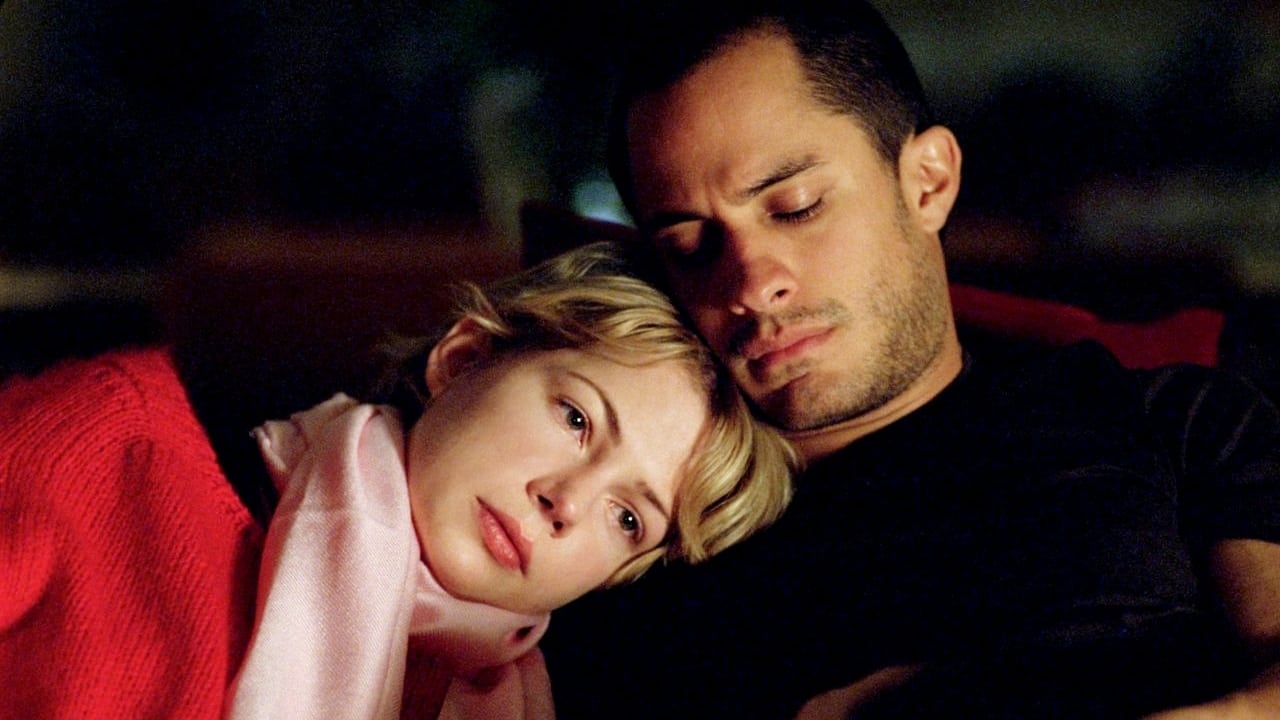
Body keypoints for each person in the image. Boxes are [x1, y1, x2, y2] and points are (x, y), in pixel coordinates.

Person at [538, 2, 1280, 718]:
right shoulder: (629, 530)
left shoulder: (1170, 421)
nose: (751, 285)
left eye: (795, 207)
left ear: (928, 182)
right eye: (690, 247)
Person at [0, 241, 796, 720]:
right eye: (577, 418)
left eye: (628, 519)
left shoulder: (511, 705)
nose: (568, 501)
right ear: (464, 359)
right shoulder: (106, 447)